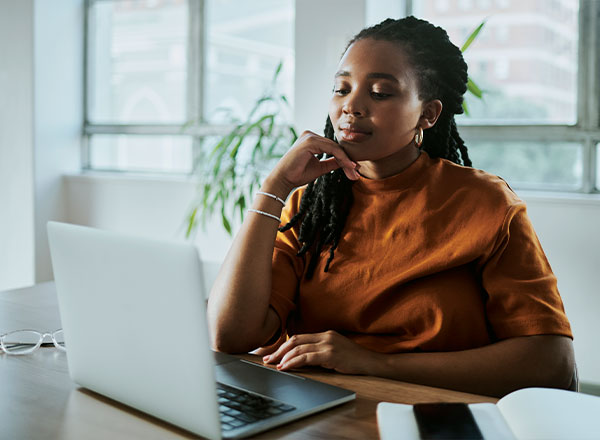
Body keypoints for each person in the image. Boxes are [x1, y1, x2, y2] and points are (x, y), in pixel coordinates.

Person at [207, 16, 574, 398]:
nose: (351, 106)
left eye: (380, 92)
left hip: (433, 413)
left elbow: (551, 364)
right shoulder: (310, 204)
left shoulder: (486, 203)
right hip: (318, 406)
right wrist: (274, 188)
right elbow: (230, 336)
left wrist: (373, 362)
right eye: (341, 88)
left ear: (428, 114)